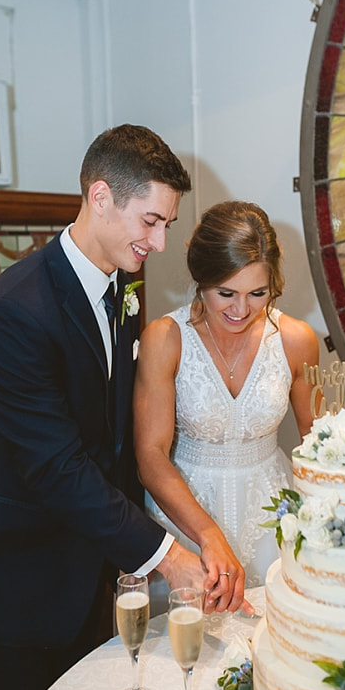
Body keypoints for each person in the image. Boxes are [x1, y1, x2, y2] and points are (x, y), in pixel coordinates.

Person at [0, 124, 223, 690]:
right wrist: (164, 555)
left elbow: (113, 442)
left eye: (165, 225)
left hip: (85, 569)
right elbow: (57, 467)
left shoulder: (119, 291)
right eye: (149, 221)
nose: (157, 241)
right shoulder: (10, 313)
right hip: (16, 579)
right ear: (100, 198)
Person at [135, 200, 319, 614]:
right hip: (184, 521)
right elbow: (150, 456)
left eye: (258, 293)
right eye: (226, 293)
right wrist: (207, 534)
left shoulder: (296, 340)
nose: (241, 310)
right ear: (201, 280)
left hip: (272, 520)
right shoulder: (165, 339)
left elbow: (316, 448)